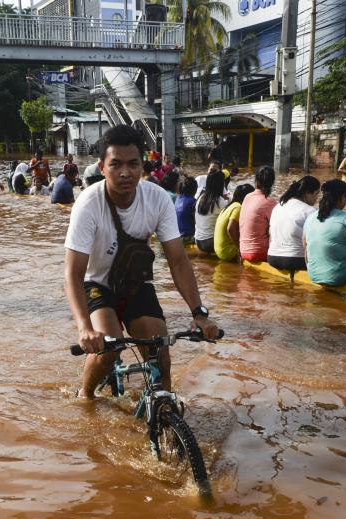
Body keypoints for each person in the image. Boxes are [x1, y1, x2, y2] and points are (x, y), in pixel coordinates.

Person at [63, 125, 219, 399]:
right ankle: (85, 396)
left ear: (143, 166)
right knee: (109, 349)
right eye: (116, 164)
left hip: (137, 284)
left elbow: (178, 261)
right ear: (102, 166)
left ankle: (164, 412)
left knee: (160, 353)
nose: (125, 172)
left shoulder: (157, 198)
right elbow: (73, 274)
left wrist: (199, 312)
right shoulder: (88, 204)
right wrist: (84, 329)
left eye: (133, 164)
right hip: (97, 285)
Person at [303, 180, 346, 285]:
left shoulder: (310, 217)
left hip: (313, 274)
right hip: (339, 275)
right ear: (342, 197)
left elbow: (305, 247)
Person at [267, 176, 320, 272]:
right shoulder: (310, 211)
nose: (317, 198)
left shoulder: (278, 206)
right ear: (307, 193)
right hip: (294, 259)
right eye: (316, 194)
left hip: (272, 257)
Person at [239, 166, 277, 262]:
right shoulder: (270, 202)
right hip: (259, 252)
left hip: (242, 250)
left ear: (256, 180)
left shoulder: (247, 197)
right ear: (272, 183)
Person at [215, 184, 256, 262]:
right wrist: (240, 248)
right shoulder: (238, 207)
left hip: (219, 250)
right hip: (226, 252)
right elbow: (230, 229)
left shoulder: (230, 206)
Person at [194, 170, 227, 254]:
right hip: (210, 243)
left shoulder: (201, 198)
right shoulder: (220, 202)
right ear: (220, 185)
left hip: (198, 241)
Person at [175, 176, 198, 241]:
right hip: (188, 237)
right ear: (195, 189)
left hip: (177, 235)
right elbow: (197, 222)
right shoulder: (193, 202)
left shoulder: (178, 199)